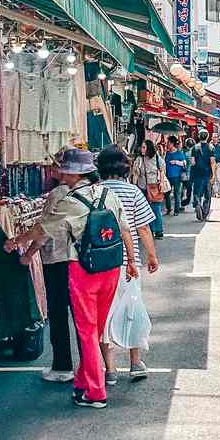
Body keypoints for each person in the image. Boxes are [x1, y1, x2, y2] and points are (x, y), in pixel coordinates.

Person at [23, 147, 135, 408]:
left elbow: (43, 230)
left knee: (87, 332)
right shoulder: (109, 194)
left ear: (73, 173)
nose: (60, 173)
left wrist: (17, 242)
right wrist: (131, 262)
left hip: (84, 270)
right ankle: (83, 383)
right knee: (94, 329)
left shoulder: (71, 202)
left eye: (64, 169)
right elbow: (125, 228)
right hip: (110, 268)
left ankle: (96, 393)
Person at [96, 145, 159, 382]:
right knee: (132, 310)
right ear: (125, 167)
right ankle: (135, 363)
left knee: (105, 315)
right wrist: (152, 255)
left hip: (101, 263)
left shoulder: (94, 191)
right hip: (128, 265)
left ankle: (110, 369)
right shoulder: (133, 192)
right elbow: (143, 227)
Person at [130, 138, 166, 240]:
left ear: (149, 148)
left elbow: (162, 171)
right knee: (144, 210)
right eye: (142, 147)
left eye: (144, 147)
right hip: (143, 188)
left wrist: (162, 183)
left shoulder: (157, 159)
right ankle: (150, 230)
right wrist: (134, 186)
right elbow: (135, 174)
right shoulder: (139, 160)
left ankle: (159, 231)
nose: (142, 149)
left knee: (156, 209)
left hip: (155, 186)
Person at [189, 131, 216, 219]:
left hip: (197, 174)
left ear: (199, 136)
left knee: (197, 192)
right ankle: (204, 213)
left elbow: (192, 162)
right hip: (208, 174)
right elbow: (212, 162)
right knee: (207, 195)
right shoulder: (211, 147)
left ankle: (197, 202)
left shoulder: (194, 148)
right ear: (207, 137)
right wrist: (214, 175)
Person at [164, 136, 188, 215]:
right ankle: (168, 208)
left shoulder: (179, 153)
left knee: (176, 194)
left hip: (177, 176)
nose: (167, 144)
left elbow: (184, 163)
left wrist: (176, 162)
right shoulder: (166, 153)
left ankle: (176, 211)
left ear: (172, 144)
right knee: (167, 193)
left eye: (168, 143)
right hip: (167, 176)